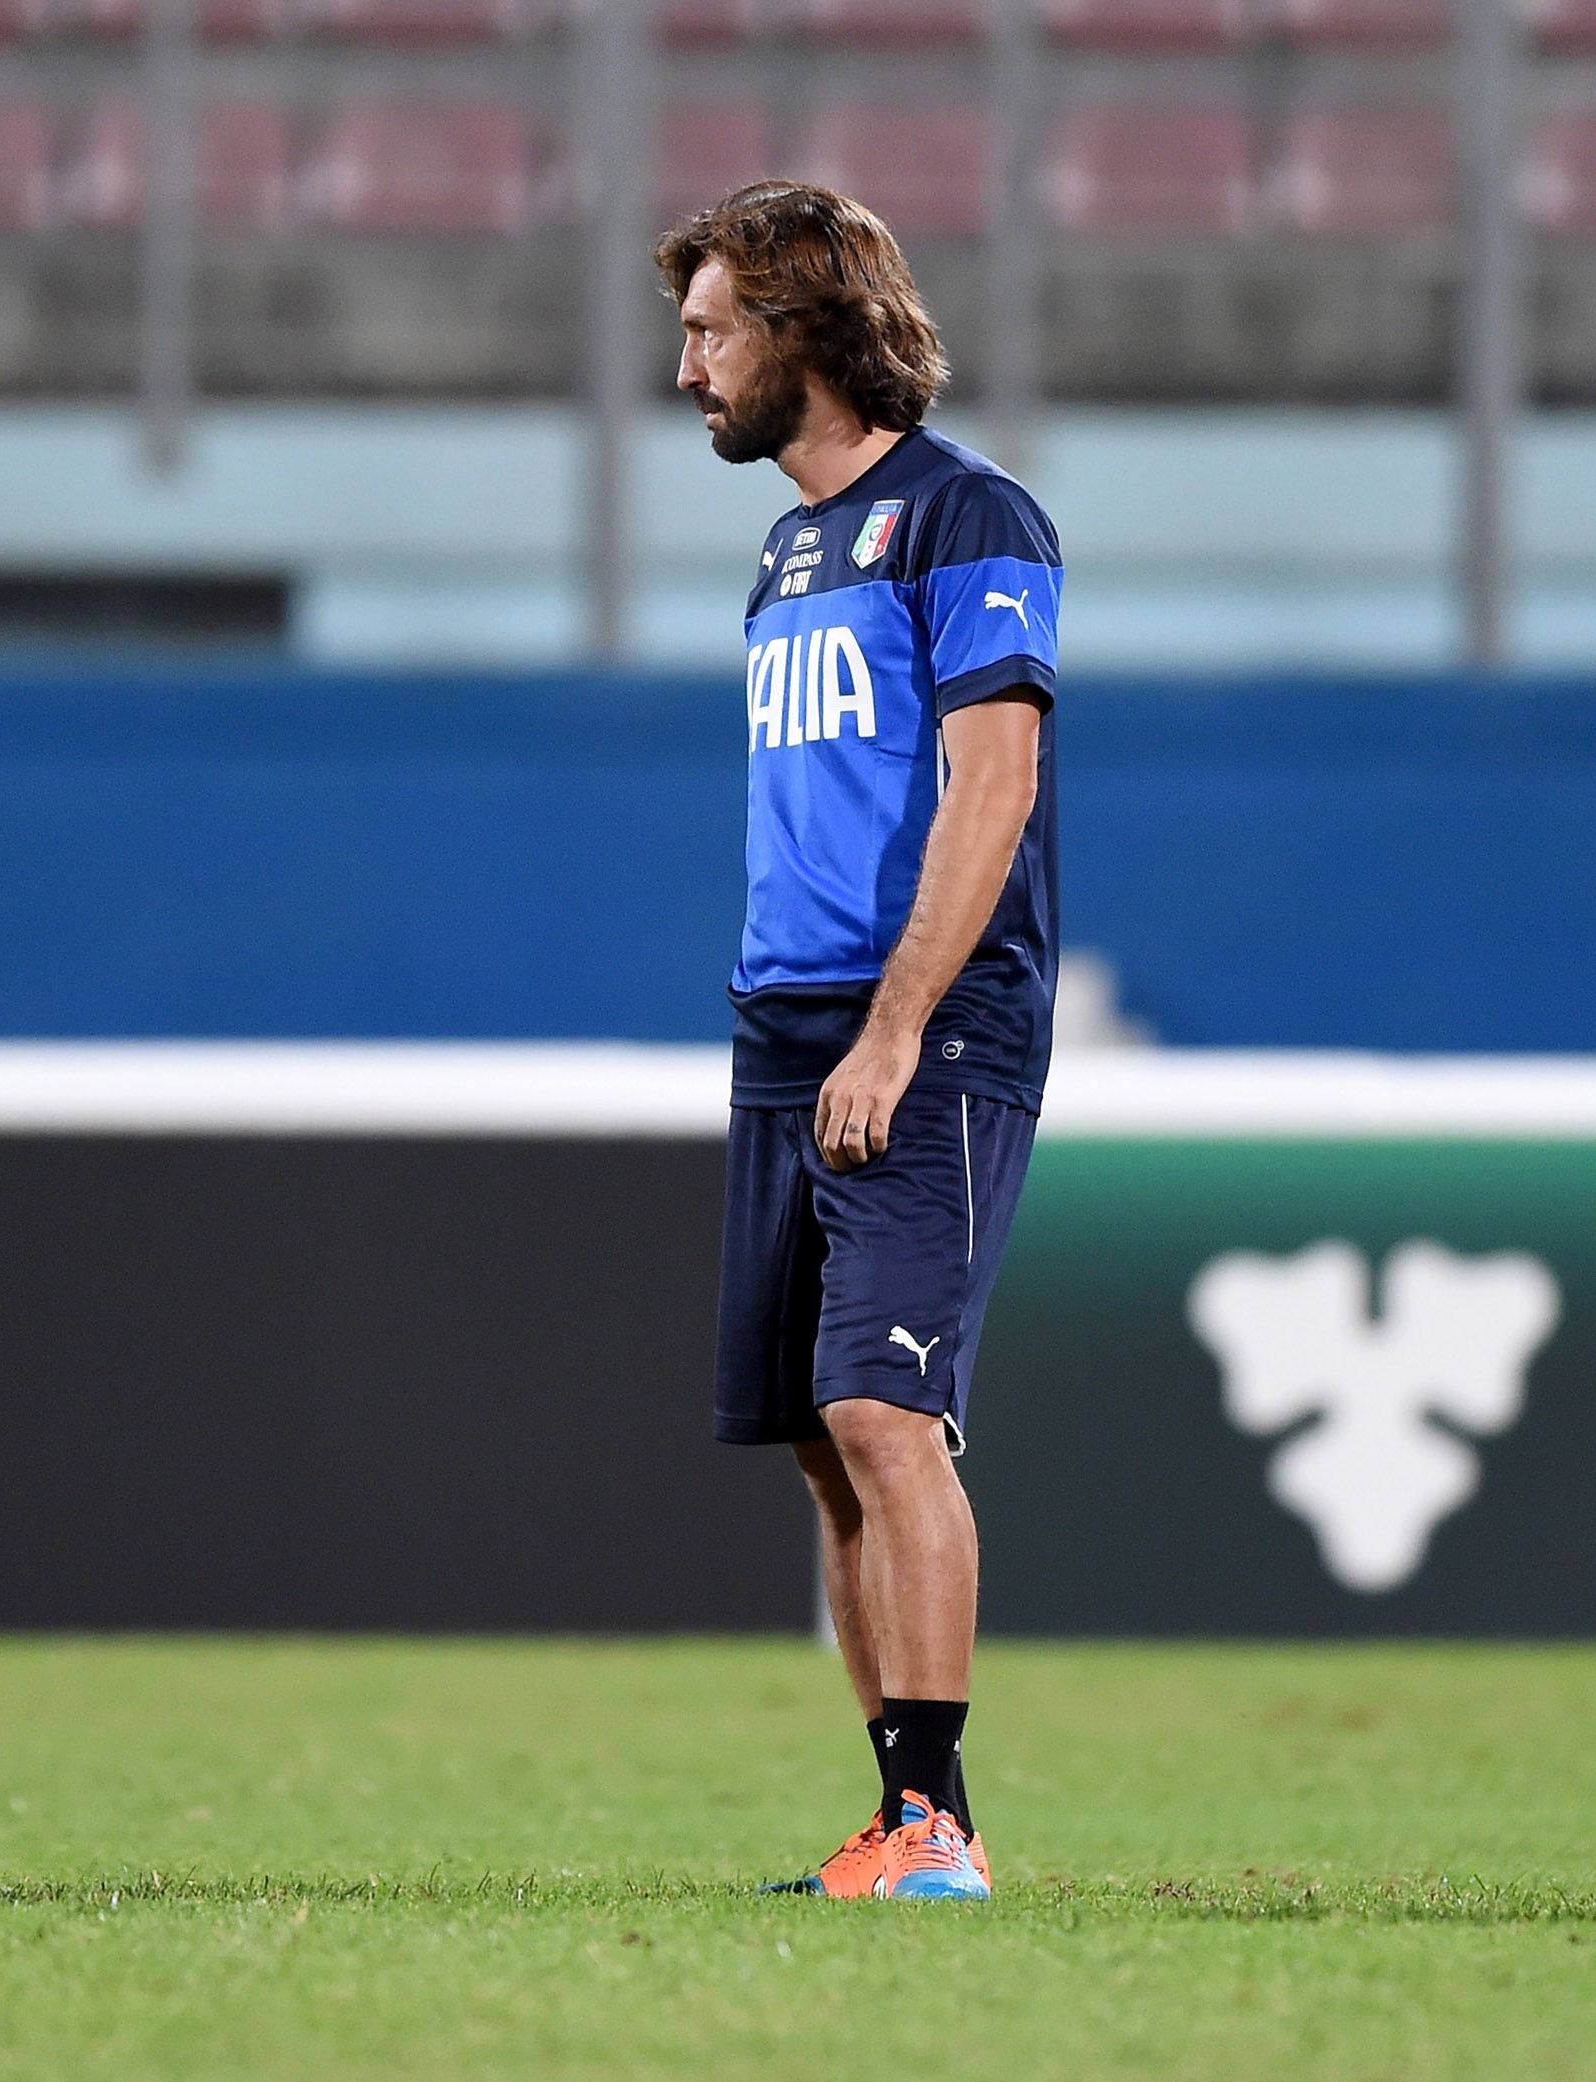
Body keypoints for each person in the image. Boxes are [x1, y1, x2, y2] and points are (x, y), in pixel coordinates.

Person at [659, 183, 1064, 1902]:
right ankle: (900, 1821)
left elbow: (995, 786)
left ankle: (939, 1829)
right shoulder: (785, 545)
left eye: (710, 327)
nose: (682, 363)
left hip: (928, 1028)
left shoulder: (967, 518)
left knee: (880, 1407)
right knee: (824, 1437)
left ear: (805, 330)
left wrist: (895, 1031)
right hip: (784, 1028)